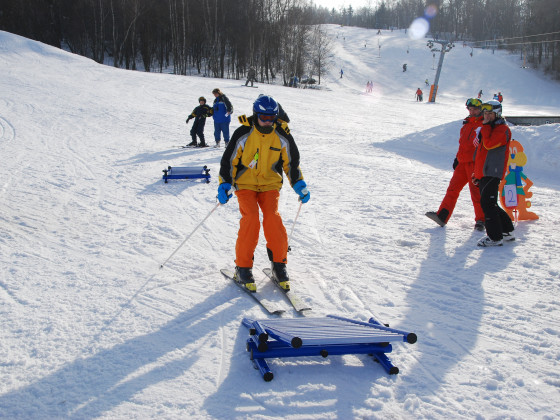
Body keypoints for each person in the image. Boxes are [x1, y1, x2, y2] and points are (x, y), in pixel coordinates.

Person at [217, 95, 309, 292]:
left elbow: (291, 163)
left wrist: (299, 184)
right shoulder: (243, 133)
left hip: (269, 185)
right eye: (263, 118)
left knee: (272, 219)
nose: (267, 122)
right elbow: (229, 161)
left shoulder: (282, 135)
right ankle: (242, 267)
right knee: (250, 219)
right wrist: (224, 183)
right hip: (245, 184)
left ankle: (279, 265)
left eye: (271, 118)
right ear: (256, 115)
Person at [426, 98, 485, 230]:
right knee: (452, 189)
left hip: (474, 164)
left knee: (476, 192)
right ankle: (442, 216)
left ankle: (481, 220)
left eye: (475, 109)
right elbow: (463, 144)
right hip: (462, 163)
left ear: (480, 109)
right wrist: (457, 158)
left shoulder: (483, 125)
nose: (472, 111)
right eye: (470, 109)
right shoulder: (466, 124)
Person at [472, 100, 515, 247]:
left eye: (490, 113)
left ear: (497, 114)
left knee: (487, 204)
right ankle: (507, 231)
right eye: (485, 113)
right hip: (485, 172)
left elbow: (489, 145)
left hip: (493, 172)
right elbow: (480, 154)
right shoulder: (489, 128)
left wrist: (484, 126)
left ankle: (495, 237)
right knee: (490, 203)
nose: (487, 116)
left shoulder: (502, 130)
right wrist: (476, 174)